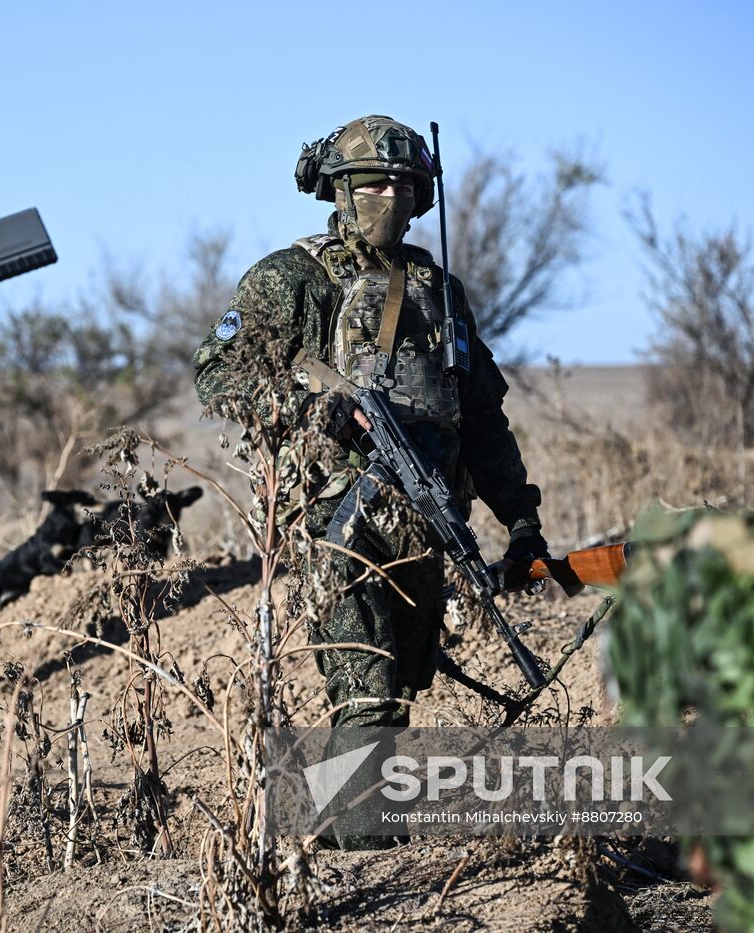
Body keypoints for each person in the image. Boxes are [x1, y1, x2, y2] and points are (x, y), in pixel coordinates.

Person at [192, 115, 549, 845]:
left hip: (422, 517)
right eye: (373, 183)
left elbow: (481, 418)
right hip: (332, 520)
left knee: (402, 683)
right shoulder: (292, 278)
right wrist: (306, 406)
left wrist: (519, 518)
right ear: (339, 191)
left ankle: (317, 824)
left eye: (404, 184)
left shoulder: (436, 289)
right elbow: (216, 372)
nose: (390, 195)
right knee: (369, 689)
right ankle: (364, 849)